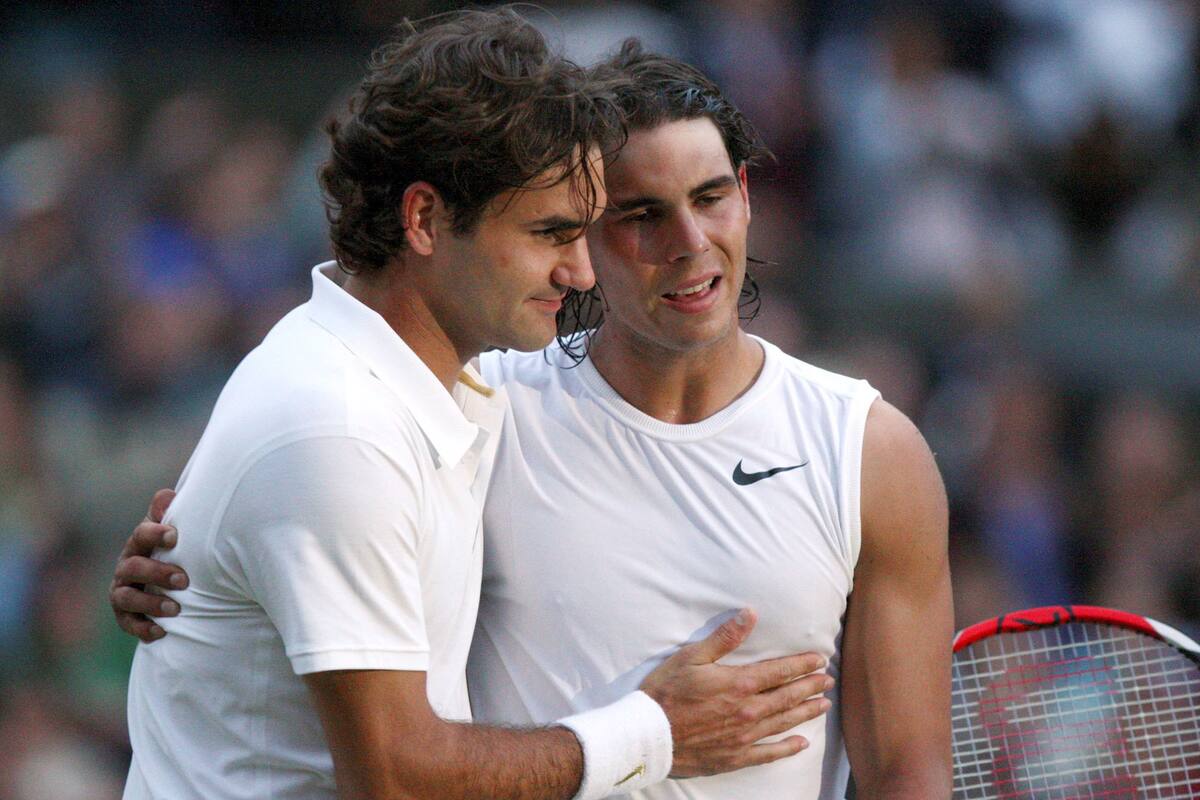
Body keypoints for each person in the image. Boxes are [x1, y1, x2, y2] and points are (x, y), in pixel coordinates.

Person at [111, 36, 952, 800]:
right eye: (635, 216)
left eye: (710, 197)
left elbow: (909, 771)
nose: (690, 242)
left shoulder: (868, 451)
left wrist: (203, 579)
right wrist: (203, 582)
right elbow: (314, 481)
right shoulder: (471, 407)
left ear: (745, 195)